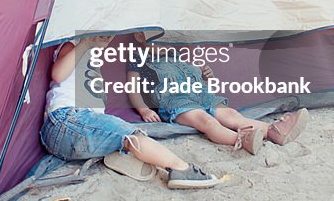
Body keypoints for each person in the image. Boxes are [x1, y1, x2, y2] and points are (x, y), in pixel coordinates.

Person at [40, 34, 220, 189]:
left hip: (77, 137)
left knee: (117, 134)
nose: (107, 38)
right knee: (132, 134)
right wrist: (85, 43)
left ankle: (118, 155)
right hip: (65, 120)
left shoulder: (93, 61)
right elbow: (58, 74)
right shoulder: (72, 46)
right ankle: (181, 169)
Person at [127, 33, 308, 155]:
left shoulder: (177, 52)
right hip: (176, 102)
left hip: (201, 94)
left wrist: (205, 74)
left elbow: (191, 74)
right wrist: (144, 110)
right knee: (207, 121)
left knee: (231, 115)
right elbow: (132, 87)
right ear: (140, 36)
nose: (164, 44)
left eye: (167, 38)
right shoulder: (138, 56)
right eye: (156, 39)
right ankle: (240, 139)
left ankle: (272, 131)